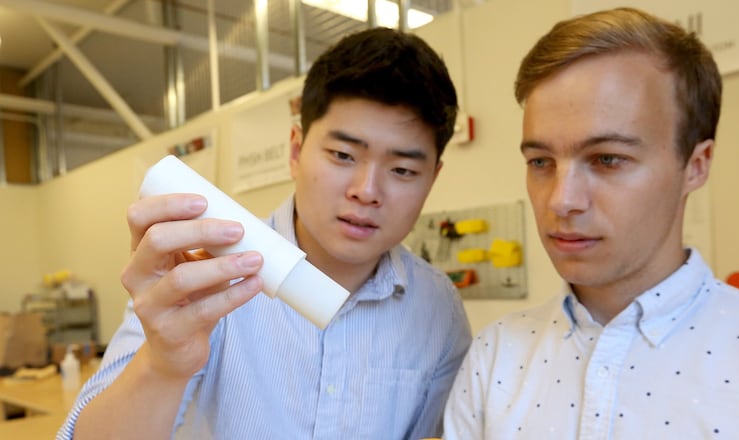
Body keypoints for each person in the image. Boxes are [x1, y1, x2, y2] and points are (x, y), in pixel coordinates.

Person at [58, 27, 471, 439]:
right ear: (295, 150)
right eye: (343, 155)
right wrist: (162, 365)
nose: (365, 191)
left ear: (431, 178)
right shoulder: (200, 269)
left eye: (402, 170)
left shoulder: (438, 305)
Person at [443, 7, 739, 439]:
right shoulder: (495, 355)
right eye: (541, 162)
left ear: (696, 165)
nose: (562, 200)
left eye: (608, 159)